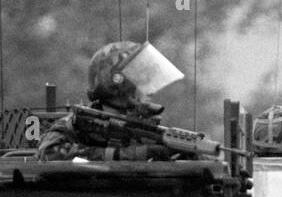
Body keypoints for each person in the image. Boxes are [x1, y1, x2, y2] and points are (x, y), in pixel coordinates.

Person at [38, 41, 184, 162]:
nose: (150, 91)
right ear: (119, 85)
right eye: (141, 82)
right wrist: (125, 155)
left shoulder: (147, 130)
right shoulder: (77, 123)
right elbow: (49, 154)